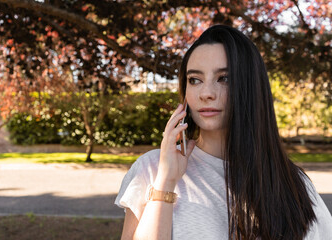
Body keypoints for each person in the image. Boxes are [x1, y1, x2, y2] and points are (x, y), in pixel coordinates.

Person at [115, 25, 332, 239]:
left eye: (224, 78)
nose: (206, 93)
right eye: (194, 80)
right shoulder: (153, 169)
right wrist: (166, 182)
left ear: (250, 86)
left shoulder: (293, 185)